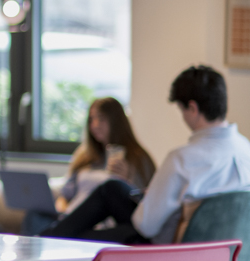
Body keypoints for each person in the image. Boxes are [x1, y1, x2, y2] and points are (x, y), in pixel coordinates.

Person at [41, 65, 250, 244]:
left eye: (182, 110)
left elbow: (146, 225)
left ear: (193, 108)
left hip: (164, 248)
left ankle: (44, 241)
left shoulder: (182, 159)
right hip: (220, 251)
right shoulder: (247, 151)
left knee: (80, 234)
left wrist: (153, 198)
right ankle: (47, 238)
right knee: (114, 189)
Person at [21, 97, 156, 235]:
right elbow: (65, 194)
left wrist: (127, 179)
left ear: (116, 121)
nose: (95, 125)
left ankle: (47, 239)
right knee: (34, 216)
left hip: (97, 223)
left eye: (101, 119)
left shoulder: (137, 158)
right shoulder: (84, 155)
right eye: (91, 119)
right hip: (70, 217)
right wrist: (62, 209)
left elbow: (144, 201)